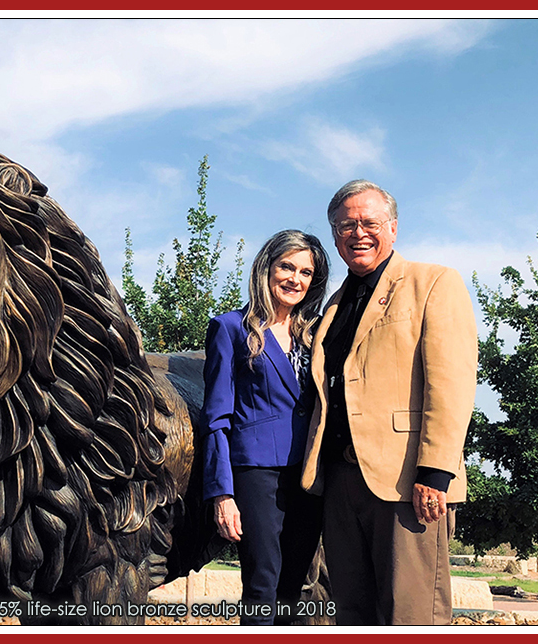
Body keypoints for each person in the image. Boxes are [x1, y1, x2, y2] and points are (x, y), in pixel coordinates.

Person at [301, 179, 478, 625]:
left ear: (393, 228)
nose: (357, 232)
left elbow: (451, 384)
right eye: (345, 226)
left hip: (406, 482)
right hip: (339, 481)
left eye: (369, 222)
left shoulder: (433, 282)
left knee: (411, 615)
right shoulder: (334, 306)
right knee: (352, 615)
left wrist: (434, 474)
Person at [201, 229, 330, 625]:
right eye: (286, 267)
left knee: (293, 587)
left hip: (309, 475)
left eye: (306, 272)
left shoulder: (317, 334)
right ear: (267, 268)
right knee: (262, 583)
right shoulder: (231, 328)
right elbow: (216, 418)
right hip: (258, 473)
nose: (295, 279)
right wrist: (222, 493)